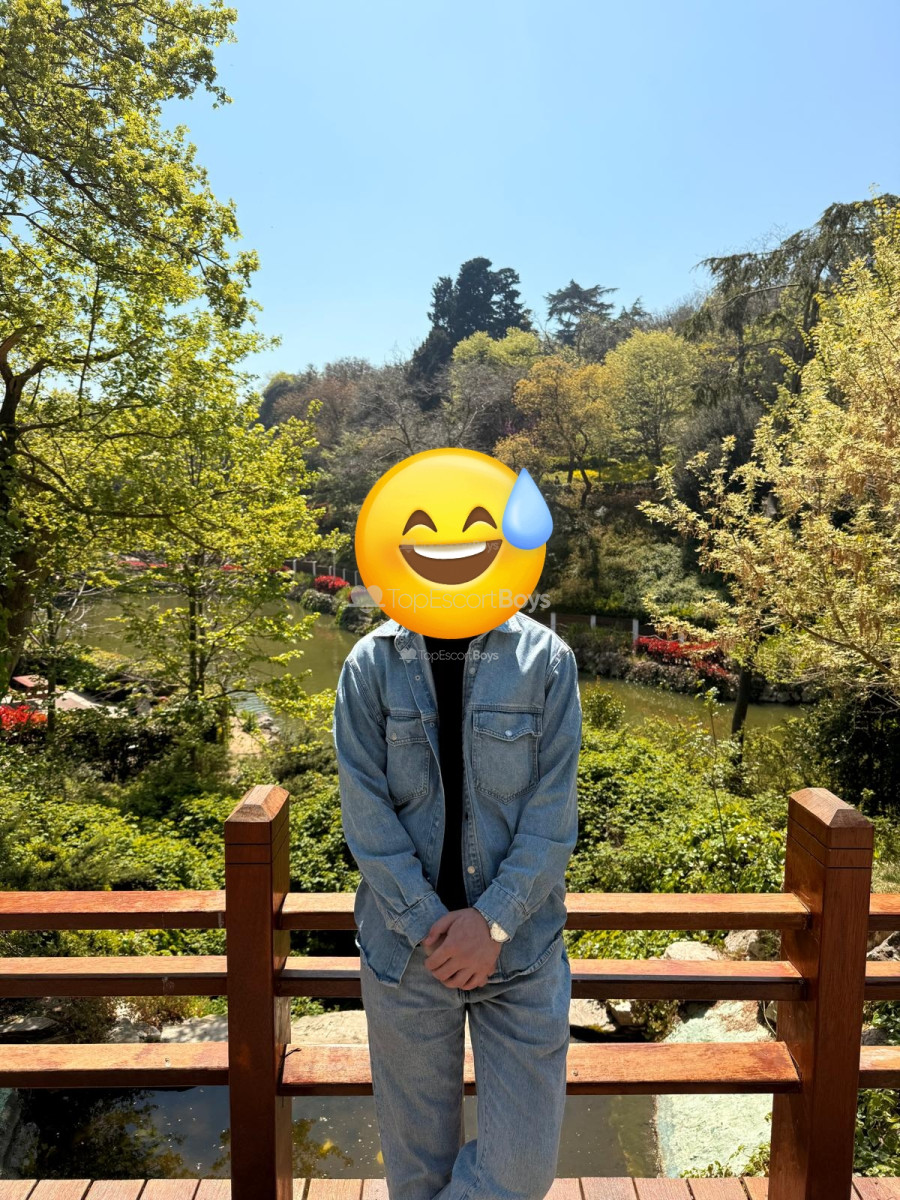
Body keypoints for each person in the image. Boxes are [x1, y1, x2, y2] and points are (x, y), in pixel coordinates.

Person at [334, 609, 582, 1200]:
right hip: (407, 960)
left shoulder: (545, 660)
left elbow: (553, 816)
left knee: (521, 1172)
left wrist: (493, 922)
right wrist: (430, 925)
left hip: (520, 954)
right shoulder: (371, 663)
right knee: (417, 1174)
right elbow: (364, 814)